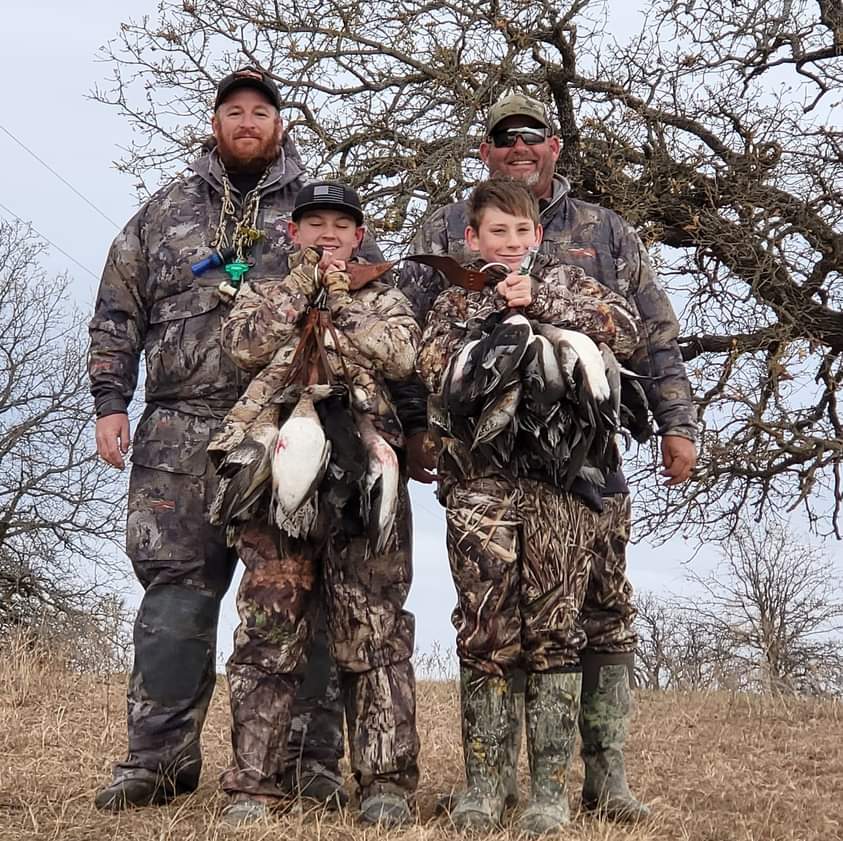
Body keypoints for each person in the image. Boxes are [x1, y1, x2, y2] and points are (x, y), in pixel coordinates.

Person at [400, 92, 698, 823]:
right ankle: (487, 784)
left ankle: (599, 781)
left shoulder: (604, 233)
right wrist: (417, 432)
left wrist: (675, 422)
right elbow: (412, 345)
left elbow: (646, 332)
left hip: (584, 469)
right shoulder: (443, 236)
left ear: (553, 146)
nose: (520, 147)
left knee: (596, 614)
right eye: (506, 139)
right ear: (486, 154)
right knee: (488, 621)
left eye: (532, 136)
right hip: (483, 472)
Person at [88, 68, 373, 812]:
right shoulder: (162, 213)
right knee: (175, 595)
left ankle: (306, 759)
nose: (247, 122)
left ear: (279, 124)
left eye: (261, 112)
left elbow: (365, 304)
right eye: (233, 111)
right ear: (215, 123)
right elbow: (117, 312)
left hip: (287, 424)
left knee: (296, 594)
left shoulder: (316, 208)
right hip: (176, 431)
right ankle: (157, 757)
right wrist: (110, 402)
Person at [417, 177, 644, 834]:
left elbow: (625, 329)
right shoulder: (452, 302)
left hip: (558, 492)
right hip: (480, 489)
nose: (510, 244)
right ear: (471, 238)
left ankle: (548, 787)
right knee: (486, 631)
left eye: (520, 233)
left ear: (537, 236)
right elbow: (429, 364)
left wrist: (539, 300)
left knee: (553, 629)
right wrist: (488, 314)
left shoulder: (573, 289)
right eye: (496, 233)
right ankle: (485, 786)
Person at [214, 182, 421, 826]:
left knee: (375, 628)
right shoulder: (263, 289)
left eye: (340, 225)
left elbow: (402, 355)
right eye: (313, 224)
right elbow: (241, 346)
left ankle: (385, 783)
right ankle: (253, 785)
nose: (327, 235)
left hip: (364, 472)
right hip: (278, 472)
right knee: (268, 630)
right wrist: (302, 290)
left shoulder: (384, 292)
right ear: (292, 233)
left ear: (359, 235)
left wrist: (340, 298)